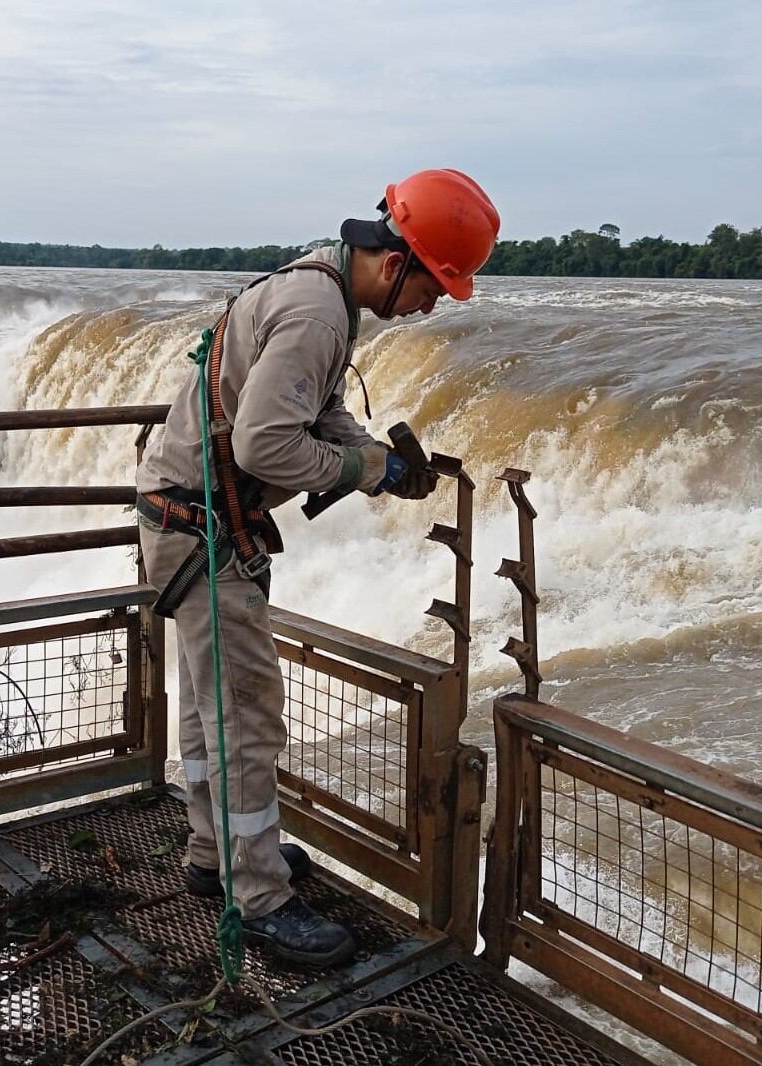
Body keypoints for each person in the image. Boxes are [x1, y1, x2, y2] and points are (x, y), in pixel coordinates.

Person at [135, 169, 500, 969]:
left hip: (188, 516)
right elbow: (266, 445)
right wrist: (366, 473)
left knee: (207, 705)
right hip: (202, 527)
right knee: (246, 712)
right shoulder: (313, 314)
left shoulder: (322, 286)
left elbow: (306, 413)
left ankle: (214, 856)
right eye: (435, 285)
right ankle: (258, 896)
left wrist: (366, 451)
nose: (433, 305)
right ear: (395, 259)